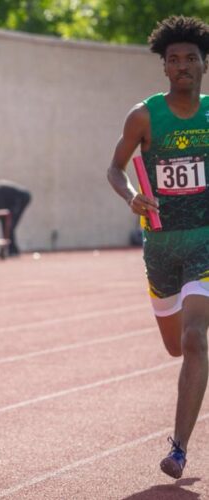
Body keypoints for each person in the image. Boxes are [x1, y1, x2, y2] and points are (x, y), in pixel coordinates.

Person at [107, 16, 209, 480]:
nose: (183, 66)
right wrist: (131, 196)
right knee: (176, 347)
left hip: (204, 242)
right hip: (160, 247)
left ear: (204, 64)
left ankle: (180, 448)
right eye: (174, 60)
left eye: (191, 58)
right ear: (164, 67)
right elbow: (114, 169)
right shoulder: (144, 115)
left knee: (195, 339)